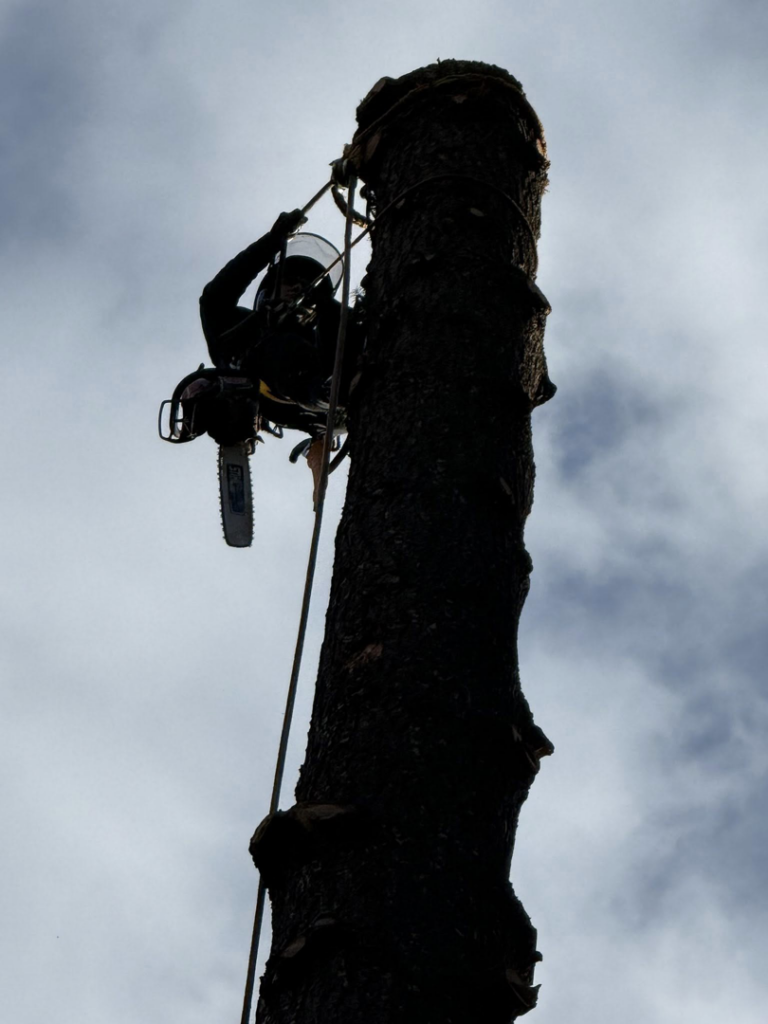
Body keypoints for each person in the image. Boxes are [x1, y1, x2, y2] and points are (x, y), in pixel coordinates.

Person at [184, 210, 349, 446]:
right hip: (272, 392)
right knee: (278, 350)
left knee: (343, 328)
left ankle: (345, 392)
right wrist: (272, 242)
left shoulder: (319, 335)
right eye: (291, 281)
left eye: (306, 286)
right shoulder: (237, 326)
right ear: (270, 287)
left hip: (317, 397)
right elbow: (215, 297)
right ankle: (329, 394)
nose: (298, 289)